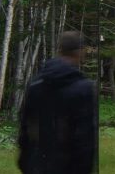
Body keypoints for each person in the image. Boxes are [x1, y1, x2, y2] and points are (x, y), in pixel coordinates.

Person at [17, 31, 96, 174]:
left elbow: (25, 129)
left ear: (60, 50)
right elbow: (85, 140)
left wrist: (25, 164)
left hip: (37, 166)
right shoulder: (84, 88)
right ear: (80, 52)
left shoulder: (36, 84)